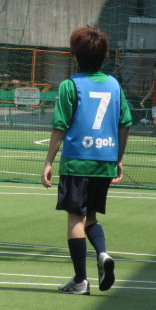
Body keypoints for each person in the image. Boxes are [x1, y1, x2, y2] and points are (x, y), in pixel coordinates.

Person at [41, 26, 131, 295]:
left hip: (77, 161)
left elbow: (60, 126)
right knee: (90, 216)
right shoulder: (114, 85)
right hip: (104, 161)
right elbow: (125, 124)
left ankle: (80, 281)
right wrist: (117, 158)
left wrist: (48, 162)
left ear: (75, 54)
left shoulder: (71, 85)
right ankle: (102, 253)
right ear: (105, 55)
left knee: (75, 219)